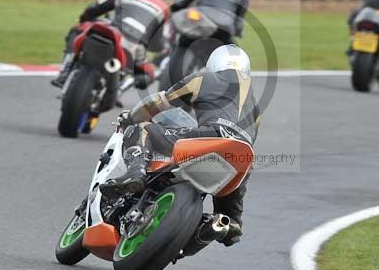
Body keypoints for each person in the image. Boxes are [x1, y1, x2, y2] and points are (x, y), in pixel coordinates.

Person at [102, 44, 260, 246]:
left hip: (210, 136)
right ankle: (227, 224)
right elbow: (246, 140)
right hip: (241, 154)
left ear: (214, 63)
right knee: (230, 213)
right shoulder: (255, 105)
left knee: (143, 128)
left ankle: (136, 172)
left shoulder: (203, 79)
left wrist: (130, 117)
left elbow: (159, 102)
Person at [51, 0, 170, 90]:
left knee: (76, 30)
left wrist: (84, 20)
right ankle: (120, 88)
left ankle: (64, 71)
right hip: (136, 50)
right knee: (149, 75)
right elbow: (157, 45)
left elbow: (93, 9)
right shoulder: (163, 8)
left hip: (115, 35)